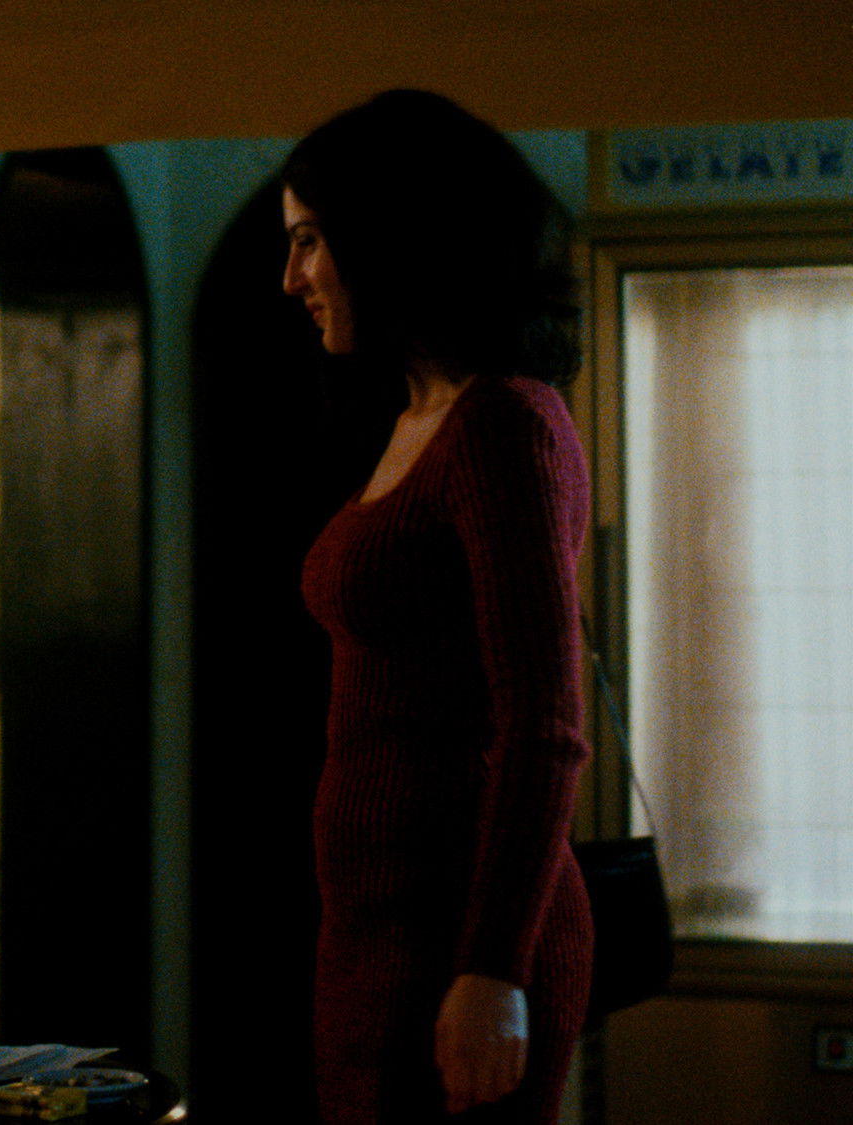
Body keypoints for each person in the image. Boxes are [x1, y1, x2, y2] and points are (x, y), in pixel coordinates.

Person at [281, 90, 594, 1123]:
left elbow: (543, 725)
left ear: (392, 234)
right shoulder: (418, 414)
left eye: (310, 240)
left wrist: (492, 967)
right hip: (377, 934)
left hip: (462, 944)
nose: (291, 279)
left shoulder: (502, 425)